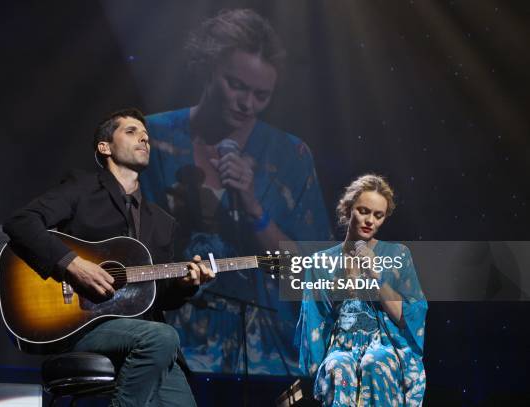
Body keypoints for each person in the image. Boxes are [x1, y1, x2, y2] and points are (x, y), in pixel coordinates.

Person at [141, 8, 332, 374]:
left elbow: (314, 271)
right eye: (237, 85)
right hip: (167, 343)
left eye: (261, 95)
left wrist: (252, 205)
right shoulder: (151, 138)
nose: (247, 104)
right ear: (209, 68)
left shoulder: (290, 156)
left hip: (268, 354)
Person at [3, 108, 214, 406]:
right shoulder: (82, 188)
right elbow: (21, 222)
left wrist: (187, 284)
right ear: (105, 147)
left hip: (142, 331)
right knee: (162, 337)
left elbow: (160, 297)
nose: (144, 138)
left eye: (146, 135)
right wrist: (73, 264)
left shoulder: (162, 221)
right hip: (82, 324)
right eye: (131, 132)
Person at [295, 174, 427, 406]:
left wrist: (376, 277)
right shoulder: (321, 262)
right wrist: (313, 377)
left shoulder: (397, 255)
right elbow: (315, 324)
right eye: (363, 211)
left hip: (385, 344)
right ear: (348, 210)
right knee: (338, 367)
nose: (370, 221)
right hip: (341, 345)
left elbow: (407, 318)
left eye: (378, 215)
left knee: (374, 363)